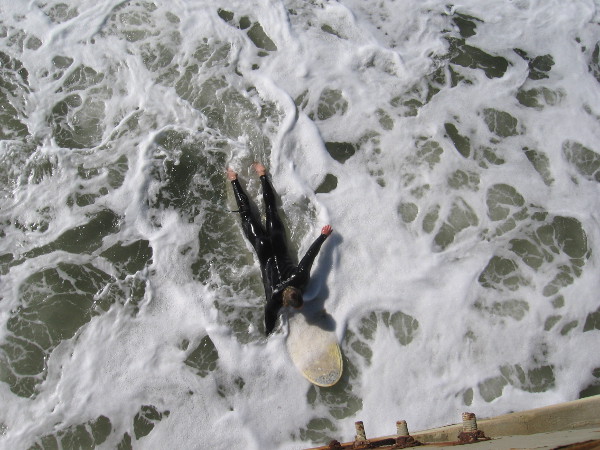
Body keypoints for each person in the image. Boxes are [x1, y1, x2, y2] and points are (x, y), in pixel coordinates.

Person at [226, 162, 333, 335]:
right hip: (263, 249)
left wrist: (323, 236)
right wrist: (268, 334)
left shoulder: (299, 276)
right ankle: (233, 179)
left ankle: (260, 174)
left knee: (270, 210)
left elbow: (310, 256)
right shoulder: (273, 299)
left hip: (277, 242)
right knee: (247, 214)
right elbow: (268, 319)